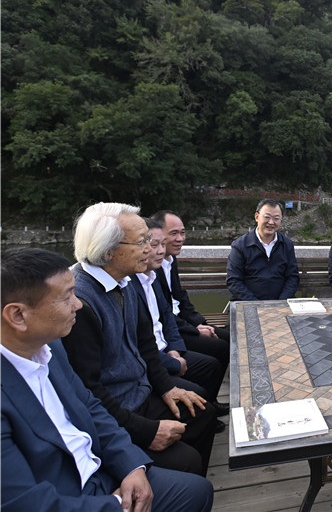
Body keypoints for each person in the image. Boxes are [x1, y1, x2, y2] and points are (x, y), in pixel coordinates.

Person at [1, 248, 214, 512]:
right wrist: (116, 505)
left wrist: (131, 465)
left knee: (197, 491)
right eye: (67, 296)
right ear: (18, 316)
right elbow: (22, 503)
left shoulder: (50, 348)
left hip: (102, 468)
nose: (77, 304)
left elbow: (90, 406)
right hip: (69, 494)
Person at [61, 202, 218, 477]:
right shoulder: (80, 304)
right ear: (108, 250)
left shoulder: (126, 280)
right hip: (117, 413)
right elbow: (88, 390)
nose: (151, 248)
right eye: (142, 241)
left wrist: (168, 387)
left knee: (202, 412)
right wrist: (146, 432)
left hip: (141, 392)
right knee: (187, 461)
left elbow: (146, 344)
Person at [130, 218, 226, 432]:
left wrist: (175, 348)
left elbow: (168, 311)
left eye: (161, 245)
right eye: (153, 245)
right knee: (220, 349)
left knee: (217, 357)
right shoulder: (130, 285)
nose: (159, 251)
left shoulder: (153, 276)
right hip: (153, 362)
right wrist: (175, 358)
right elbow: (141, 342)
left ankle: (209, 410)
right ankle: (205, 416)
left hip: (168, 344)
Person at [151, 210, 230, 387]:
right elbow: (164, 313)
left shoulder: (170, 260)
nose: (180, 239)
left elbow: (180, 298)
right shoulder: (151, 268)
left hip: (181, 323)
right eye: (173, 234)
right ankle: (207, 398)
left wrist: (198, 323)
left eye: (182, 232)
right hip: (170, 330)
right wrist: (194, 330)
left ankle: (209, 395)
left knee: (229, 337)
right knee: (222, 347)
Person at [226, 198, 299, 301]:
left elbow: (292, 277)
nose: (271, 222)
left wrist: (281, 302)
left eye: (276, 218)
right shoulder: (240, 245)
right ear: (257, 217)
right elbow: (233, 281)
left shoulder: (287, 244)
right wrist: (257, 305)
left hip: (280, 304)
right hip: (248, 304)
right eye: (267, 217)